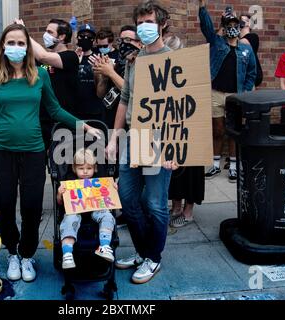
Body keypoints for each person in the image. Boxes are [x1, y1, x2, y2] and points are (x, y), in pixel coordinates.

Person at [0, 23, 100, 282]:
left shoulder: (40, 75)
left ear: (28, 47)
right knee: (4, 203)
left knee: (32, 206)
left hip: (34, 151)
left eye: (20, 43)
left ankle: (27, 254)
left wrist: (83, 125)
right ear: (3, 46)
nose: (15, 48)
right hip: (2, 151)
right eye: (10, 43)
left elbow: (55, 110)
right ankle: (12, 251)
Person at [106, 0, 176, 285]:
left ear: (162, 25)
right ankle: (142, 251)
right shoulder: (134, 61)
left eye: (149, 22)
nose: (144, 27)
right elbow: (125, 100)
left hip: (161, 140)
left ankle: (153, 257)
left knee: (156, 203)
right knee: (128, 198)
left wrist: (174, 148)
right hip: (133, 136)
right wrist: (113, 139)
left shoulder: (175, 59)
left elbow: (183, 108)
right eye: (140, 22)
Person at [199, 1, 256, 183]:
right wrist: (202, 8)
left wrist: (245, 91)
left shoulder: (246, 49)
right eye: (228, 26)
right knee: (217, 130)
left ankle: (233, 167)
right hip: (216, 92)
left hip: (235, 95)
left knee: (233, 131)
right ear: (223, 28)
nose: (232, 28)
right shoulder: (217, 44)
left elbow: (251, 73)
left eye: (235, 26)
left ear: (239, 28)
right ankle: (215, 164)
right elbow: (206, 27)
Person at [163, 35, 205, 228]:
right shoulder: (162, 73)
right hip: (172, 128)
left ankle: (188, 212)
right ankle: (176, 206)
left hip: (191, 127)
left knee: (191, 171)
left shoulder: (192, 71)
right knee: (175, 170)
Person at [26, 18, 80, 151]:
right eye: (46, 31)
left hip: (63, 120)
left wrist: (25, 34)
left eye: (50, 32)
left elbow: (43, 57)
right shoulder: (41, 60)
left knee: (62, 166)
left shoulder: (70, 57)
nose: (46, 35)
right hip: (42, 120)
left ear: (61, 37)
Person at [57, 149, 116, 269]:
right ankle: (67, 254)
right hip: (75, 212)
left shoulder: (99, 180)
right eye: (81, 168)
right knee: (69, 220)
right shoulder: (70, 180)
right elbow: (60, 203)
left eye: (89, 168)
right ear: (74, 169)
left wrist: (113, 189)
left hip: (95, 210)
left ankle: (104, 246)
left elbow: (110, 200)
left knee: (108, 215)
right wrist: (59, 194)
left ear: (94, 168)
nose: (85, 172)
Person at [90, 25, 142, 129]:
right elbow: (100, 94)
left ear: (139, 43)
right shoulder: (117, 63)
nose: (123, 44)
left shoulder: (143, 64)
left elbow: (133, 92)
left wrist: (110, 72)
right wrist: (102, 75)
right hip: (109, 120)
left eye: (127, 40)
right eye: (121, 40)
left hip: (130, 124)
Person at [75, 23, 105, 121]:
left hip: (94, 111)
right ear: (77, 38)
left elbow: (100, 93)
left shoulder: (98, 58)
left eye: (89, 37)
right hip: (76, 111)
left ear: (93, 40)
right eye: (82, 36)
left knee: (95, 135)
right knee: (78, 136)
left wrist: (98, 74)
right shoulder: (72, 57)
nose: (85, 38)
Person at [239, 14, 263, 88]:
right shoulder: (236, 39)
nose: (241, 22)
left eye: (245, 20)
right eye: (240, 20)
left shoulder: (253, 37)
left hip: (251, 75)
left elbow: (243, 42)